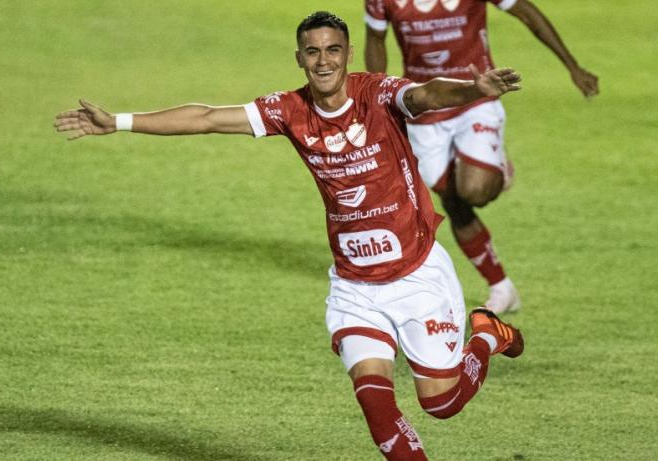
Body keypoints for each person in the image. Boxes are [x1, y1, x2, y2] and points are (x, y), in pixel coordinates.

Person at [55, 11, 524, 460]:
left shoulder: (377, 94)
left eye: (333, 50)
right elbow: (207, 118)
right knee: (378, 411)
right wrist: (117, 122)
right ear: (299, 58)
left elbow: (425, 96)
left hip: (417, 275)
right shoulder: (289, 109)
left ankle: (485, 334)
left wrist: (471, 90)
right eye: (313, 51)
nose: (324, 60)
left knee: (441, 404)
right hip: (355, 288)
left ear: (348, 54)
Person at [364, 0, 599, 313]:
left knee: (475, 189)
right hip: (426, 108)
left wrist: (572, 66)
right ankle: (502, 287)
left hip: (477, 96)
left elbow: (526, 12)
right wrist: (377, 104)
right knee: (453, 201)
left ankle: (496, 168)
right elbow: (375, 40)